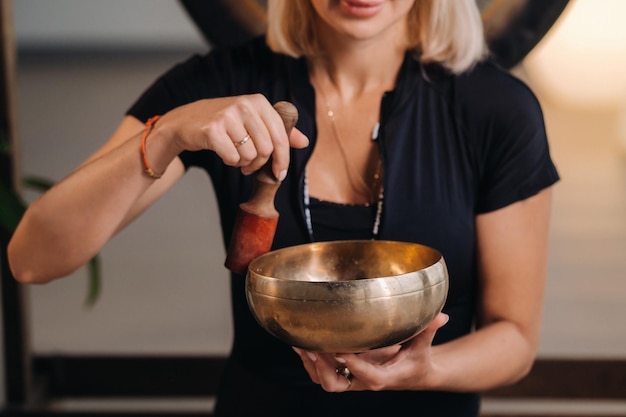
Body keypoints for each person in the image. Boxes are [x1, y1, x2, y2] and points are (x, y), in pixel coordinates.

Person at [8, 0, 560, 416]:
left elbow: (513, 337)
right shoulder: (223, 86)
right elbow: (33, 258)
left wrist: (426, 369)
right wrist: (169, 131)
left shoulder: (496, 109)